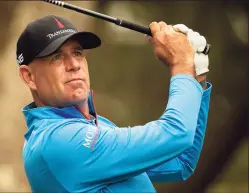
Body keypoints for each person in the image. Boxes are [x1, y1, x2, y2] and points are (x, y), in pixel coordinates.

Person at [16, 15, 212, 193]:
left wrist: (197, 75)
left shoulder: (95, 125)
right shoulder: (57, 141)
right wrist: (182, 64)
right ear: (29, 76)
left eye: (77, 53)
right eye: (57, 57)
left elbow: (180, 162)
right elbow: (176, 134)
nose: (74, 64)